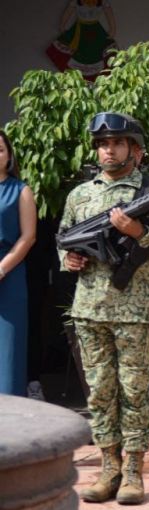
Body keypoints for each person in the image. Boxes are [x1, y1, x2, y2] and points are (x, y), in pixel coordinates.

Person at [60, 112, 149, 505]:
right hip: (90, 308)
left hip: (135, 310)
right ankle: (108, 468)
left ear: (134, 149)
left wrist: (140, 232)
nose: (108, 150)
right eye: (102, 144)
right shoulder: (80, 195)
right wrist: (68, 259)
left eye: (117, 143)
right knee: (99, 394)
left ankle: (133, 471)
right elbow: (64, 239)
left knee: (134, 392)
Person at [0, 130, 37, 397]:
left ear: (9, 155)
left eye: (0, 150)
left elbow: (28, 236)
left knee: (9, 349)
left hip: (9, 273)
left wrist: (2, 267)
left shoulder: (21, 190)